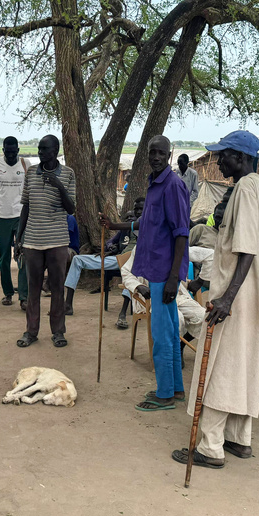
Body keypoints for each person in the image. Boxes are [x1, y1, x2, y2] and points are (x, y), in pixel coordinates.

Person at [170, 131, 259, 467]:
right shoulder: (256, 187)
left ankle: (210, 447)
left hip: (234, 297)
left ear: (241, 158)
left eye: (223, 156)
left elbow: (245, 250)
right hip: (247, 295)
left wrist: (227, 297)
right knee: (240, 364)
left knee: (218, 368)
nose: (218, 162)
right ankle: (238, 439)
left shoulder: (245, 189)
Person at [103, 135, 189, 405]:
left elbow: (181, 234)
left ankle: (164, 394)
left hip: (165, 272)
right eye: (152, 153)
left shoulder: (173, 185)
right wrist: (114, 226)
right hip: (156, 269)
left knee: (161, 333)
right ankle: (174, 388)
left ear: (169, 155)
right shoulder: (154, 184)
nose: (155, 157)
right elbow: (146, 222)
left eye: (160, 153)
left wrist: (175, 277)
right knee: (170, 330)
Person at [16, 135, 76, 348]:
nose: (40, 153)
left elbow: (71, 209)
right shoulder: (31, 172)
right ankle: (31, 332)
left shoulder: (68, 174)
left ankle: (58, 332)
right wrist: (19, 237)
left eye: (44, 149)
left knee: (57, 288)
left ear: (56, 150)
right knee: (33, 289)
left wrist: (58, 185)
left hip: (58, 240)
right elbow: (26, 206)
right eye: (39, 149)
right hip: (32, 240)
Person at [64, 197, 144, 316]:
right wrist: (110, 249)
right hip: (118, 259)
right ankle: (68, 304)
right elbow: (111, 241)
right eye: (135, 209)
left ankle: (122, 314)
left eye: (140, 209)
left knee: (132, 272)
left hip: (134, 262)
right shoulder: (126, 229)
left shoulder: (147, 224)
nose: (137, 213)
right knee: (77, 260)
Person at [0, 136, 29, 306]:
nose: (10, 155)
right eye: (7, 152)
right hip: (2, 215)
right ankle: (8, 293)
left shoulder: (26, 165)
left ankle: (24, 297)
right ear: (3, 150)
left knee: (22, 254)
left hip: (21, 215)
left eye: (13, 152)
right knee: (3, 256)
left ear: (18, 150)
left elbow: (31, 186)